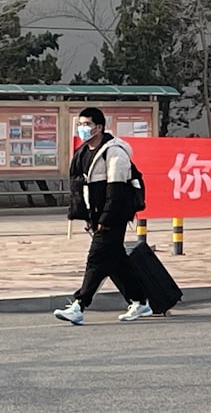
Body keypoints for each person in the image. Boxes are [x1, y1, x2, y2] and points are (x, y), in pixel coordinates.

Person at [55, 107, 151, 324]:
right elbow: (82, 189)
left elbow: (115, 192)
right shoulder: (83, 152)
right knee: (115, 261)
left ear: (99, 127)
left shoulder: (114, 152)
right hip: (97, 218)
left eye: (87, 124)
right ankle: (140, 301)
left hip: (113, 217)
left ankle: (79, 305)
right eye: (80, 124)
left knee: (96, 259)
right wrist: (88, 218)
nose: (83, 128)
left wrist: (105, 220)